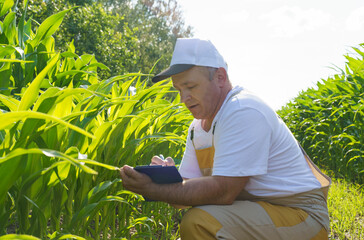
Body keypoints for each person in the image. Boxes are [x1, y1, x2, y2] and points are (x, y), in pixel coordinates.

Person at [119, 38, 331, 239]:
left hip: (301, 218)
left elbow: (223, 192)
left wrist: (153, 189)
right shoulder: (197, 129)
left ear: (220, 77)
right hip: (259, 214)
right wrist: (167, 178)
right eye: (179, 90)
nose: (183, 98)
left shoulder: (242, 110)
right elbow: (182, 199)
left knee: (199, 224)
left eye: (191, 87)